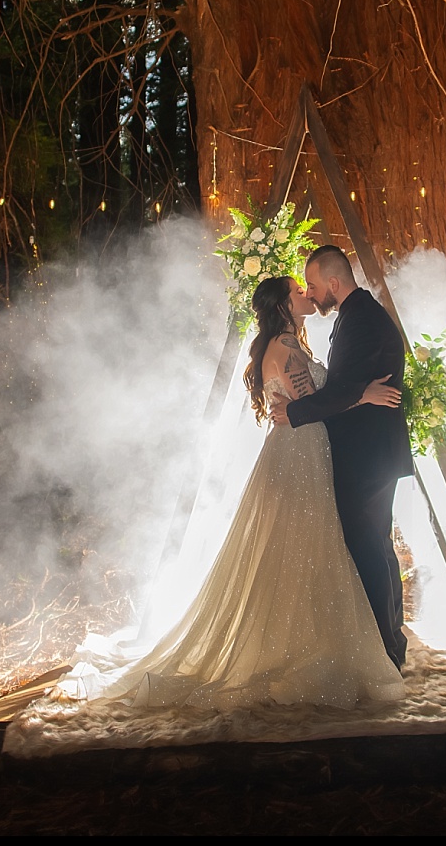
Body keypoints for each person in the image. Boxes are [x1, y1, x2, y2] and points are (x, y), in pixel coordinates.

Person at [66, 274, 405, 711]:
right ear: (284, 304)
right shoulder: (284, 347)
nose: (307, 293)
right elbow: (312, 402)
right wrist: (366, 395)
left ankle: (303, 637)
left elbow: (311, 401)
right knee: (301, 545)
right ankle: (297, 644)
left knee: (306, 548)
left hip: (306, 448)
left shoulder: (289, 343)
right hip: (299, 453)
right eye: (298, 291)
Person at [271, 244, 412, 670]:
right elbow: (352, 387)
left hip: (367, 456)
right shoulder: (356, 316)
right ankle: (390, 645)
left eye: (313, 285)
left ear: (334, 282)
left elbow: (340, 389)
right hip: (372, 453)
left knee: (368, 549)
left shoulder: (361, 321)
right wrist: (360, 393)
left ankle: (384, 652)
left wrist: (293, 413)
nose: (311, 295)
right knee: (376, 547)